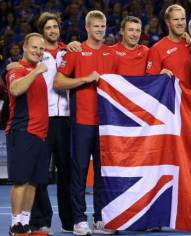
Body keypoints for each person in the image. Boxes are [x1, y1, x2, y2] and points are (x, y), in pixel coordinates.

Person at [54, 10, 116, 235]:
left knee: (103, 173)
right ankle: (79, 220)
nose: (100, 30)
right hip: (81, 122)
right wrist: (85, 79)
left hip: (107, 124)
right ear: (87, 28)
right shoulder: (76, 51)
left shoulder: (112, 53)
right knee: (79, 172)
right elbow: (58, 82)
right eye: (96, 26)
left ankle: (100, 218)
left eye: (103, 26)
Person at [28, 12, 73, 235]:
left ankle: (69, 221)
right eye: (48, 28)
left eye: (55, 26)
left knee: (66, 173)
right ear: (41, 31)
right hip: (42, 120)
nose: (53, 31)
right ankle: (41, 221)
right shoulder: (37, 54)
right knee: (41, 175)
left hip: (65, 120)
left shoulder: (69, 51)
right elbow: (18, 67)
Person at [6, 33, 48, 236]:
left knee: (33, 182)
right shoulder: (18, 70)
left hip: (40, 135)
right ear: (24, 47)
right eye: (34, 47)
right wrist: (36, 71)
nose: (38, 52)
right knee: (21, 181)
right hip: (22, 131)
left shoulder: (36, 70)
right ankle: (15, 225)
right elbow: (15, 89)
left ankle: (25, 224)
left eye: (41, 49)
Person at [146, 4, 191, 86]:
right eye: (176, 19)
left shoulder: (189, 43)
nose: (180, 23)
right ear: (168, 22)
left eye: (183, 19)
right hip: (171, 98)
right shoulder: (157, 48)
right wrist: (160, 75)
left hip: (190, 97)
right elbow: (150, 81)